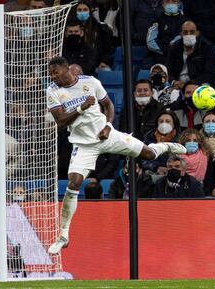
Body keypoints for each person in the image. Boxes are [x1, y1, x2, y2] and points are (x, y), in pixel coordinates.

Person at [46, 56, 186, 254]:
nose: (53, 77)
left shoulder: (90, 82)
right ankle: (63, 236)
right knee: (73, 183)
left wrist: (108, 125)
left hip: (107, 135)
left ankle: (166, 146)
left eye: (55, 73)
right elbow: (60, 121)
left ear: (66, 69)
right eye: (51, 74)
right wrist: (80, 108)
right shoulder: (53, 91)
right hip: (83, 144)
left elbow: (109, 105)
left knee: (148, 154)